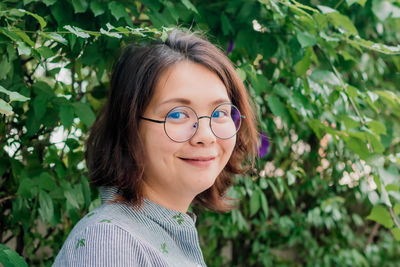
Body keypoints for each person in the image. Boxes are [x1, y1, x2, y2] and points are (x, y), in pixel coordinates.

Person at [53, 29, 258, 266]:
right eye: (178, 114)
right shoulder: (110, 241)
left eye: (220, 113)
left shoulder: (159, 237)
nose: (206, 135)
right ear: (130, 128)